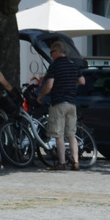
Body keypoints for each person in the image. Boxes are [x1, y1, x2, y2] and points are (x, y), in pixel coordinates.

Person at [38, 42, 86, 170]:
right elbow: (82, 81)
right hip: (72, 104)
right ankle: (76, 162)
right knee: (71, 134)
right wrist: (71, 80)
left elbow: (49, 86)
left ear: (57, 52)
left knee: (58, 135)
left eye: (51, 53)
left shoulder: (54, 66)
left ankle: (62, 163)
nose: (51, 55)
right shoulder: (73, 65)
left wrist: (41, 96)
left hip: (58, 103)